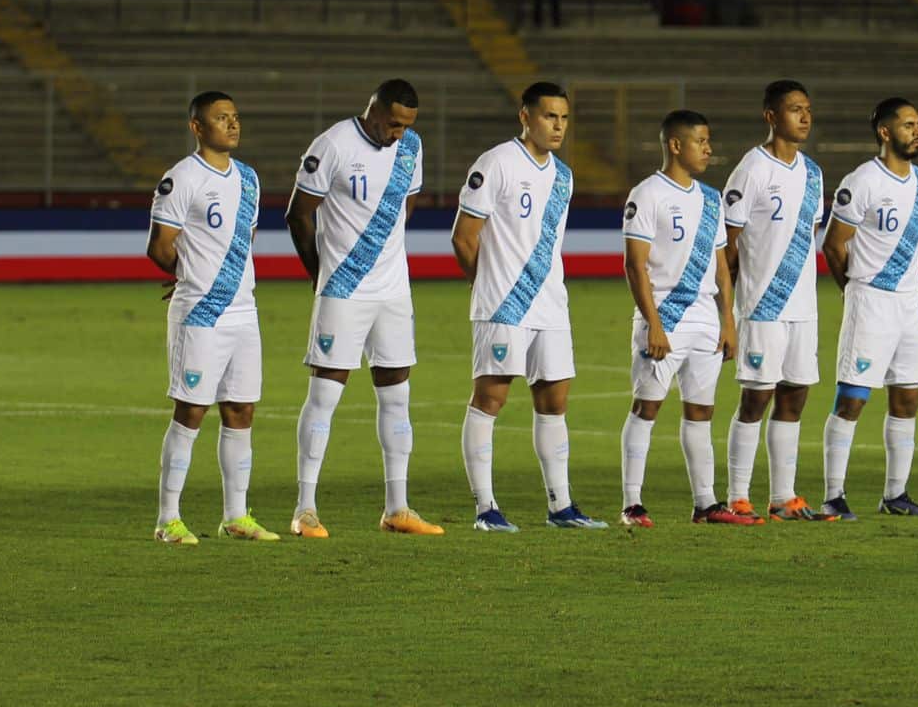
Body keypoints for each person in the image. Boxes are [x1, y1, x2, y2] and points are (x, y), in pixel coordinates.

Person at [285, 79, 442, 537]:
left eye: (406, 125)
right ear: (372, 110)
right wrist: (320, 274)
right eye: (392, 123)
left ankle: (398, 507)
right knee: (326, 394)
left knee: (397, 393)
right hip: (344, 288)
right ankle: (305, 509)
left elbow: (406, 204)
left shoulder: (411, 147)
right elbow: (298, 213)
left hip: (394, 291)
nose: (398, 133)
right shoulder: (333, 144)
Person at [452, 82, 609, 530]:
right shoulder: (497, 163)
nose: (557, 126)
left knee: (555, 401)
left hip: (551, 305)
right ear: (526, 117)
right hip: (504, 304)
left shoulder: (564, 175)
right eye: (548, 117)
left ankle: (560, 506)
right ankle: (485, 508)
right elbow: (464, 236)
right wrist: (485, 286)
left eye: (563, 118)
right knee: (490, 399)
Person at [147, 91, 277, 545]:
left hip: (244, 309)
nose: (233, 124)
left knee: (241, 410)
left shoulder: (248, 178)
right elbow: (160, 245)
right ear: (197, 127)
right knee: (191, 410)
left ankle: (236, 516)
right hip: (201, 311)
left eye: (236, 117)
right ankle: (168, 519)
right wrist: (189, 275)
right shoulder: (181, 178)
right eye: (222, 118)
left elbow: (245, 238)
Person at [616, 110, 758, 527]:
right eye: (701, 141)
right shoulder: (647, 194)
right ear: (676, 145)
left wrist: (727, 321)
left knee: (701, 412)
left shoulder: (711, 198)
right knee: (647, 407)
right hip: (665, 318)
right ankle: (631, 504)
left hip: (705, 323)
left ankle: (706, 504)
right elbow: (634, 266)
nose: (709, 149)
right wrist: (654, 323)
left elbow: (720, 267)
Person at [818, 98, 918, 521]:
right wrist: (852, 290)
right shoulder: (863, 181)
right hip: (870, 300)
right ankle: (834, 496)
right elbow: (834, 244)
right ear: (886, 133)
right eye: (908, 124)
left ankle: (896, 494)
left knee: (908, 399)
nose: (916, 131)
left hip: (910, 303)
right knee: (852, 399)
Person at [723, 80, 834, 522]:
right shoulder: (751, 170)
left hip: (802, 307)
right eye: (794, 110)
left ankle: (784, 497)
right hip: (761, 307)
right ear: (771, 116)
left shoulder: (813, 173)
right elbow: (726, 247)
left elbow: (808, 237)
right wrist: (728, 308)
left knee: (795, 396)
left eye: (807, 108)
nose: (804, 117)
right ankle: (737, 496)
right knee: (756, 398)